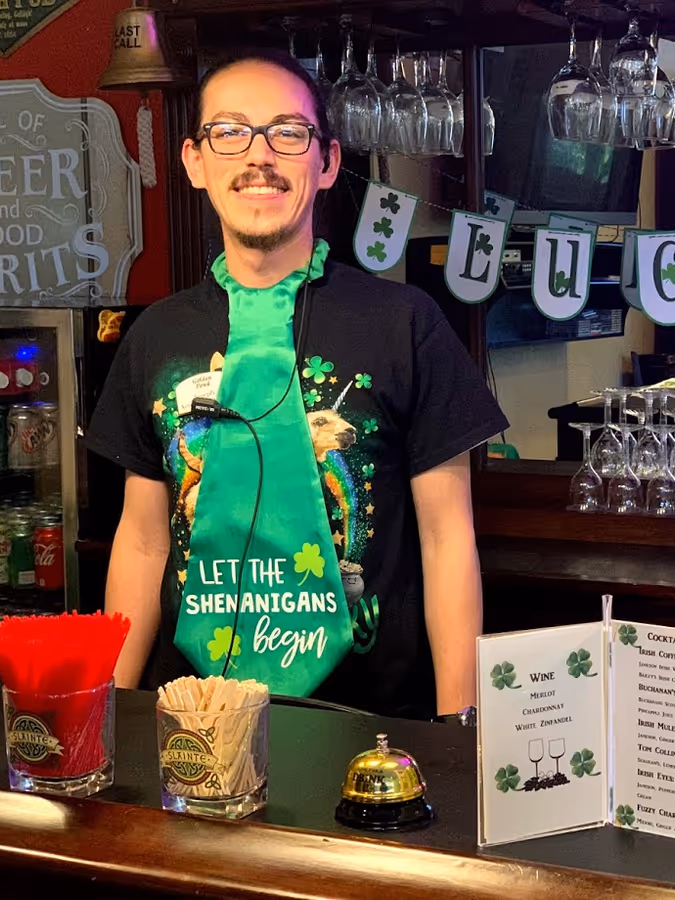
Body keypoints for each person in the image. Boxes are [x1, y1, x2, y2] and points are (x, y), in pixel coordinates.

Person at [87, 49, 508, 720]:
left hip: (369, 729)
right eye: (230, 131)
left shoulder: (406, 324)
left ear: (328, 161)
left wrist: (460, 726)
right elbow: (141, 543)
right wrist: (109, 715)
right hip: (187, 723)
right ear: (195, 161)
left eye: (288, 132)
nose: (259, 156)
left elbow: (447, 538)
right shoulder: (154, 336)